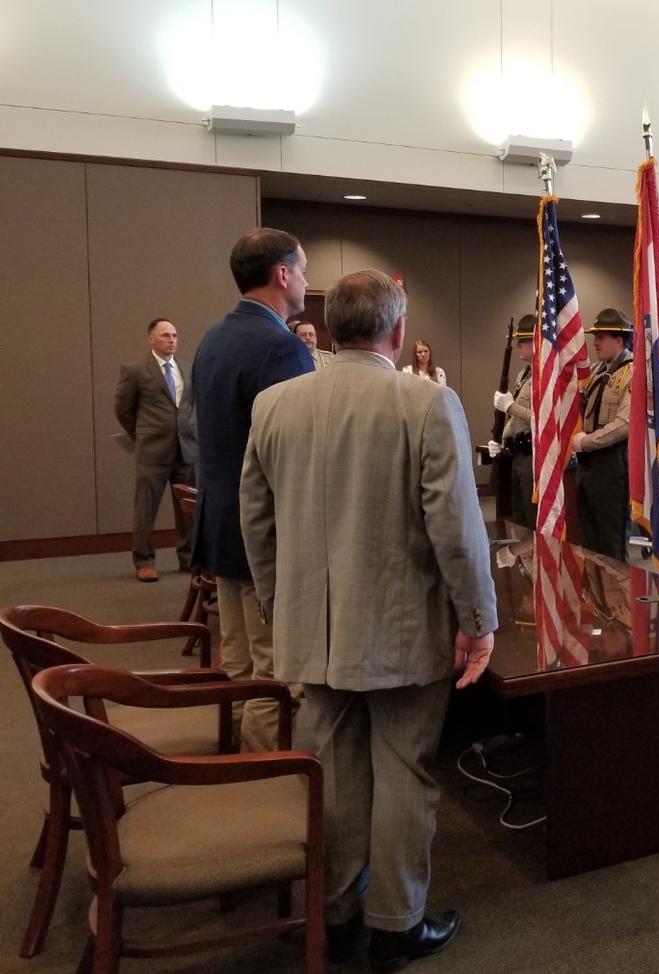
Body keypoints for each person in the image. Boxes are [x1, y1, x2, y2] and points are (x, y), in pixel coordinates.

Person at [241, 268, 497, 971]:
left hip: (310, 633)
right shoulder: (427, 403)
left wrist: (278, 608)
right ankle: (396, 926)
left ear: (326, 330)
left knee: (332, 770)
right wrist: (478, 620)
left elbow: (255, 525)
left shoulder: (273, 406)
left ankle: (335, 910)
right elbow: (456, 529)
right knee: (403, 774)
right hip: (403, 634)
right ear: (399, 330)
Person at [191, 228, 314, 752]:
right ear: (282, 275)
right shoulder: (281, 348)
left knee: (238, 659)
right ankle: (260, 783)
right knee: (273, 670)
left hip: (220, 524)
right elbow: (301, 457)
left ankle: (231, 755)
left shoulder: (212, 338)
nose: (307, 282)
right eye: (303, 270)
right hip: (264, 535)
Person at [113, 318, 198, 582]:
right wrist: (140, 435)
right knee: (145, 509)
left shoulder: (186, 368)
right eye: (165, 335)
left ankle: (188, 559)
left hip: (186, 450)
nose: (171, 339)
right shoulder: (136, 370)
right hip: (152, 451)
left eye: (174, 335)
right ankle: (144, 561)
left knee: (188, 510)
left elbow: (190, 406)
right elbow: (123, 410)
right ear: (151, 339)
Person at [570, 308, 633, 562]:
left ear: (619, 339)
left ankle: (618, 602)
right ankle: (596, 599)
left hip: (612, 463)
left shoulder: (633, 373)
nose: (594, 342)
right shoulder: (596, 371)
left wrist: (585, 442)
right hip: (588, 465)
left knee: (611, 542)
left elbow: (624, 424)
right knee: (590, 540)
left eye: (601, 336)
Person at [489, 313, 537, 529]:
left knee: (531, 517)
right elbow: (516, 420)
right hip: (518, 453)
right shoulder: (523, 375)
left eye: (524, 340)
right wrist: (502, 437)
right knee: (519, 518)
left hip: (534, 455)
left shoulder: (545, 375)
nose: (518, 345)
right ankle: (525, 561)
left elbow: (541, 419)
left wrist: (510, 406)